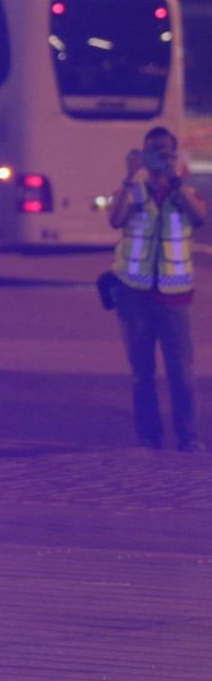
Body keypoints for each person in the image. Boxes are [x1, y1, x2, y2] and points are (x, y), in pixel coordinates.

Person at [106, 127, 206, 451]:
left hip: (175, 299)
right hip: (134, 296)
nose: (159, 156)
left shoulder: (185, 194)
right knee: (142, 375)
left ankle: (188, 438)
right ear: (142, 154)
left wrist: (175, 182)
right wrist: (128, 176)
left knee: (181, 374)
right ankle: (149, 439)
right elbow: (114, 219)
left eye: (165, 151)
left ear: (175, 155)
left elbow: (200, 218)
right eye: (153, 150)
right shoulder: (134, 192)